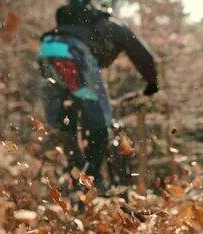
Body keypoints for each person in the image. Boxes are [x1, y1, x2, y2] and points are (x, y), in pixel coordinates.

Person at [38, 0, 158, 190]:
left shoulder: (75, 23)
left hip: (47, 49)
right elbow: (142, 55)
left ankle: (68, 167)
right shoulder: (113, 25)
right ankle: (91, 180)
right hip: (76, 54)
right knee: (100, 120)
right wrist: (152, 82)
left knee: (61, 121)